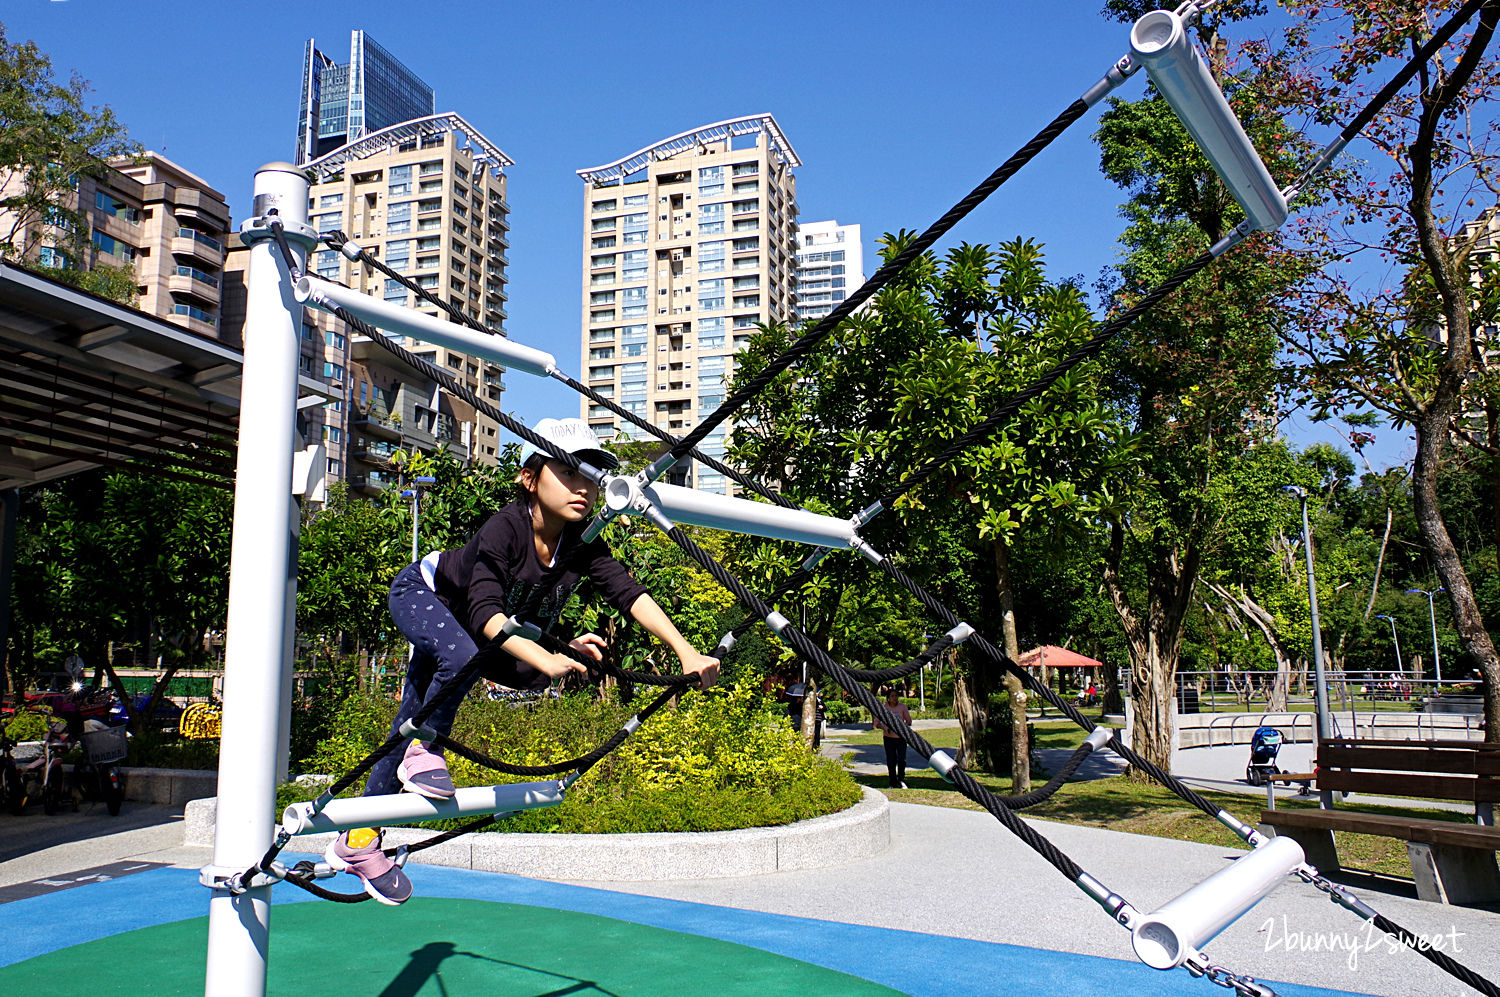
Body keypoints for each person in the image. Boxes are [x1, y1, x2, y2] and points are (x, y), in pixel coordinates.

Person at [328, 419, 720, 904]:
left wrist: (685, 651)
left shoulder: (580, 544)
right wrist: (542, 651)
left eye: (593, 478)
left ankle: (358, 840)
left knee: (439, 704)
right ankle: (423, 754)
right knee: (461, 663)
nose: (584, 488)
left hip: (475, 631)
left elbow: (628, 594)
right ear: (530, 478)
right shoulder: (506, 527)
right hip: (426, 595)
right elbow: (485, 611)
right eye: (570, 473)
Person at [871, 686, 913, 789]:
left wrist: (902, 726)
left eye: (896, 696)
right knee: (891, 760)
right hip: (889, 738)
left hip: (901, 738)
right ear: (888, 698)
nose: (895, 698)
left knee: (901, 759)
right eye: (892, 696)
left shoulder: (902, 707)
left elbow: (909, 721)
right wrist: (884, 727)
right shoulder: (884, 708)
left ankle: (901, 780)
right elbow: (876, 724)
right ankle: (892, 782)